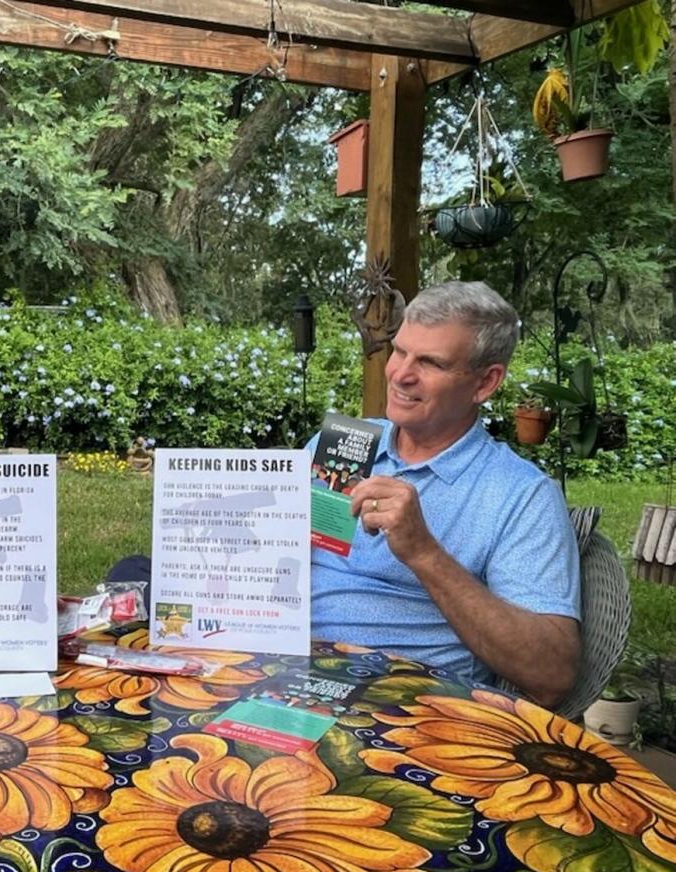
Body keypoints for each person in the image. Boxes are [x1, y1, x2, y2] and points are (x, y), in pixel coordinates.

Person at [110, 281, 580, 708]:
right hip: (272, 661)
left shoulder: (520, 495)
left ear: (485, 382)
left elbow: (552, 674)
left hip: (392, 696)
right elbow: (266, 551)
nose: (400, 374)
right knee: (135, 585)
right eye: (400, 352)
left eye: (430, 362)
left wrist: (423, 552)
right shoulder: (347, 442)